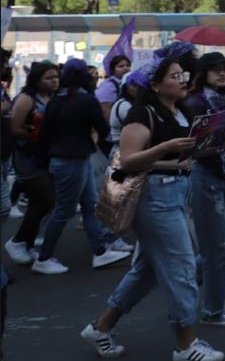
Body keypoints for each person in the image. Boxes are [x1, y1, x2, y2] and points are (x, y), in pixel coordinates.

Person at [80, 56, 225, 361]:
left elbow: (188, 155)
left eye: (184, 74)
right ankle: (185, 345)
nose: (183, 79)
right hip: (154, 198)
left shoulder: (182, 111)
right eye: (175, 75)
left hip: (176, 194)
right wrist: (164, 149)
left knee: (146, 271)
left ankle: (101, 327)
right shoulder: (142, 113)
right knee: (182, 268)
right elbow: (129, 160)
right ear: (156, 84)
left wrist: (221, 143)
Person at [29, 58, 130, 274]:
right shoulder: (86, 100)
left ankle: (100, 251)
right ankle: (44, 257)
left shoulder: (56, 100)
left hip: (63, 160)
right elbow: (102, 129)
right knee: (65, 210)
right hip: (75, 159)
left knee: (89, 206)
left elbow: (44, 134)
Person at [184, 52, 225, 322]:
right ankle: (213, 310)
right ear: (203, 74)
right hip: (205, 176)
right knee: (218, 248)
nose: (222, 73)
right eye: (215, 70)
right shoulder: (195, 102)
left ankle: (189, 276)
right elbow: (191, 150)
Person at [4, 61, 59, 265]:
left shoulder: (54, 97)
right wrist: (37, 133)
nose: (54, 81)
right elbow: (15, 127)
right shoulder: (27, 99)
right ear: (37, 80)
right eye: (49, 77)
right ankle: (17, 240)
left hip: (46, 156)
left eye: (56, 77)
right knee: (46, 201)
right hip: (28, 157)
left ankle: (25, 243)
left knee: (40, 203)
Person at [96, 55, 131, 121]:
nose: (125, 68)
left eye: (128, 65)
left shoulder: (127, 83)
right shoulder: (107, 86)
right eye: (121, 66)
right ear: (113, 70)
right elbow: (105, 110)